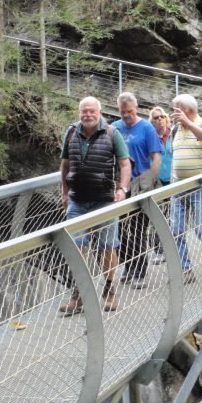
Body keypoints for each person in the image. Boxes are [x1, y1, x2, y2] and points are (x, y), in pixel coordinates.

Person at [59, 96, 132, 316]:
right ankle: (78, 294)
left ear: (99, 112)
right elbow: (64, 165)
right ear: (79, 112)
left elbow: (125, 164)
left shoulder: (112, 133)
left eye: (92, 111)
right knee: (76, 248)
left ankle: (109, 291)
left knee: (107, 246)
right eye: (84, 111)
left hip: (105, 200)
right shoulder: (71, 133)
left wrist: (122, 189)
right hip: (77, 200)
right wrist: (64, 192)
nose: (87, 114)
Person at [169, 94, 202, 284]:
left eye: (176, 109)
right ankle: (186, 269)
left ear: (187, 110)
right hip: (178, 187)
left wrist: (189, 124)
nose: (173, 113)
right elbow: (174, 158)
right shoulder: (175, 129)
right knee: (176, 231)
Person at [112, 92, 162, 289]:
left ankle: (140, 270)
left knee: (138, 229)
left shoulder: (147, 128)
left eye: (130, 112)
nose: (127, 116)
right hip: (120, 187)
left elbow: (156, 158)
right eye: (123, 112)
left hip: (141, 184)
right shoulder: (114, 127)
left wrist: (148, 182)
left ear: (137, 108)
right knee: (119, 230)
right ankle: (129, 266)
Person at [149, 106, 172, 264]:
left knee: (173, 216)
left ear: (166, 118)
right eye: (156, 117)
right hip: (157, 182)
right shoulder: (150, 136)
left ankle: (171, 248)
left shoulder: (174, 133)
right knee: (159, 217)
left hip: (174, 180)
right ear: (152, 121)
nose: (159, 119)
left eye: (162, 116)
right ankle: (158, 250)